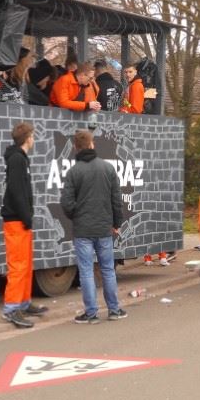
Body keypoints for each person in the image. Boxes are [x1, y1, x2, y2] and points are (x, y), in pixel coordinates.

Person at [61, 130, 127, 323]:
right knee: (108, 269)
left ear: (76, 147)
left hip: (83, 230)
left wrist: (77, 215)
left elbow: (66, 203)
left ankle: (91, 313)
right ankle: (114, 310)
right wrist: (117, 223)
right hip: (104, 228)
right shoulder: (107, 168)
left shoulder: (73, 172)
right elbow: (116, 200)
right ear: (92, 144)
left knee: (86, 272)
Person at [0, 122, 47, 328]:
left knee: (26, 264)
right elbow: (16, 191)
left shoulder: (20, 158)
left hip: (21, 220)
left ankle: (24, 303)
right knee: (18, 266)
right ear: (27, 138)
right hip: (16, 220)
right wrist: (27, 217)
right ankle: (11, 309)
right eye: (33, 136)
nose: (34, 139)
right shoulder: (17, 159)